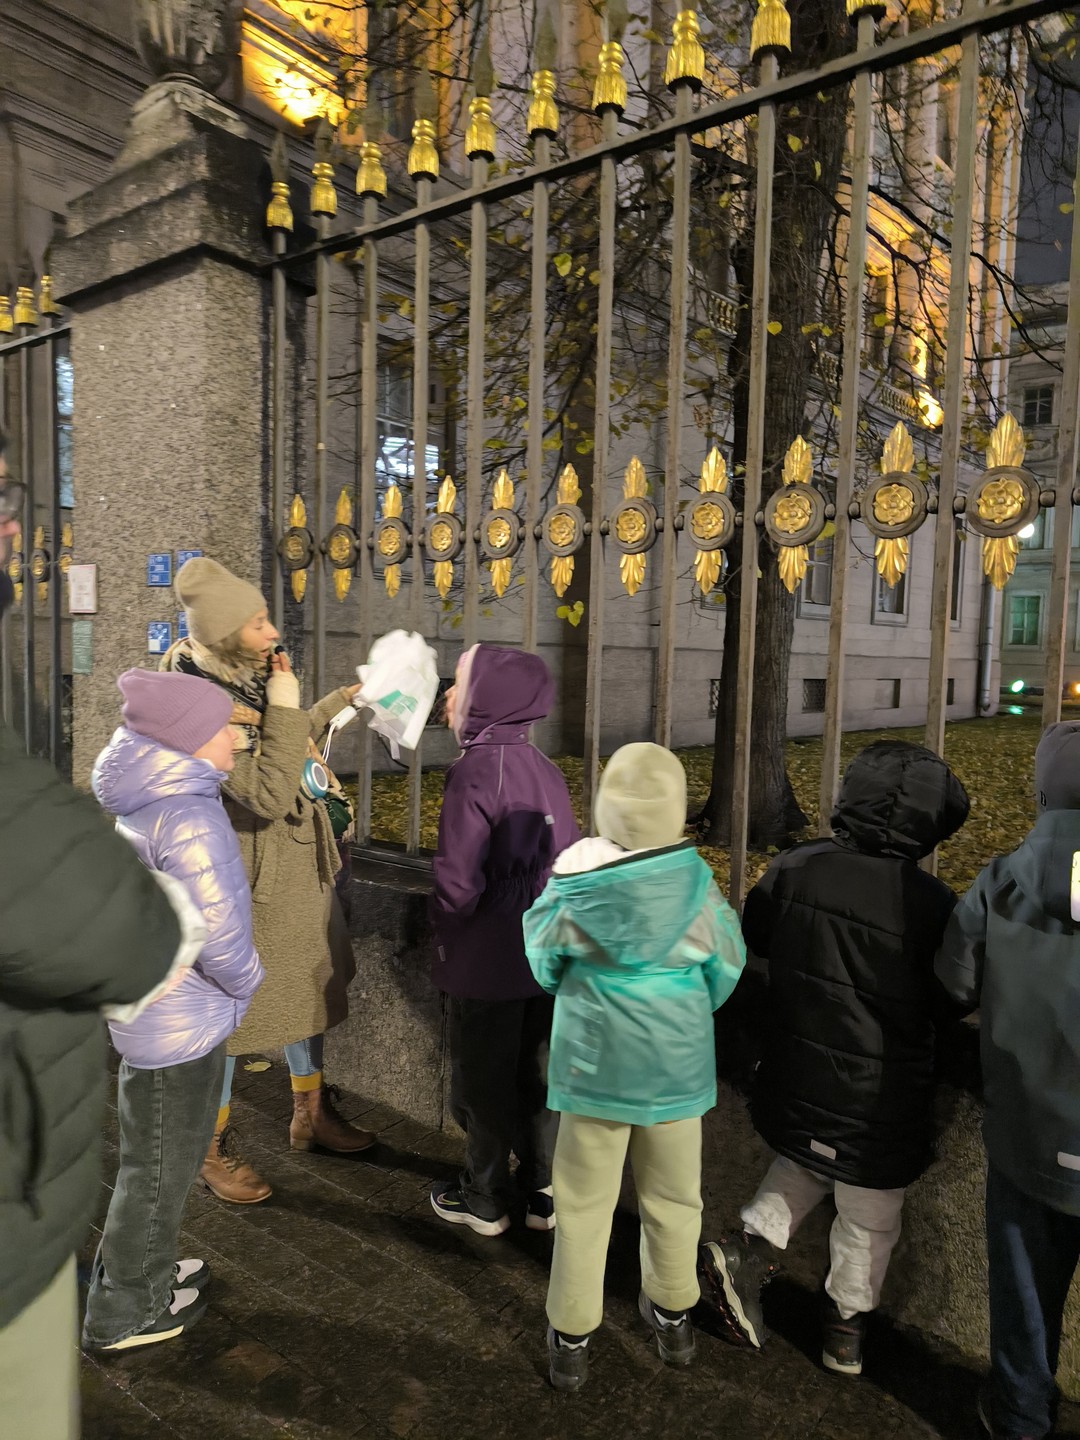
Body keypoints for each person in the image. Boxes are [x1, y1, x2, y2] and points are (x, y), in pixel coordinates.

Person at [0, 429, 196, 1435]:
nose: (13, 523)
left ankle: (134, 1274)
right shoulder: (187, 812)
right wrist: (187, 941)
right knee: (163, 1152)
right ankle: (131, 1290)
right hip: (19, 1187)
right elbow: (113, 924)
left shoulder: (137, 786)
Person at [698, 740, 969, 1379]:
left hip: (795, 1072)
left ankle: (747, 1250)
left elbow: (757, 934)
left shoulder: (796, 866)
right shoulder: (930, 902)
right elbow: (954, 995)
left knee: (808, 1157)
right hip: (881, 1096)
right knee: (870, 1213)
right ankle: (845, 1324)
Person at [524, 743, 746, 1393]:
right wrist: (681, 1014)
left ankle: (571, 1337)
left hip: (592, 1073)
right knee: (675, 1199)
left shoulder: (572, 884)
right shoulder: (697, 888)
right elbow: (725, 968)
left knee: (582, 1205)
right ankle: (673, 1317)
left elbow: (544, 963)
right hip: (675, 1074)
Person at [163, 557, 371, 1204]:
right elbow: (267, 789)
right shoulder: (194, 706)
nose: (271, 630)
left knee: (305, 992)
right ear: (226, 634)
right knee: (233, 1018)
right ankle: (207, 1146)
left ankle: (310, 1112)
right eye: (256, 622)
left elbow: (282, 739)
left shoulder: (246, 683)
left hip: (292, 872)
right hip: (244, 882)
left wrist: (337, 702)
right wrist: (284, 704)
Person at [82, 670, 264, 1351]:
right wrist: (247, 984)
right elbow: (220, 935)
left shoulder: (150, 801)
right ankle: (126, 1311)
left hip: (160, 1015)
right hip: (181, 1024)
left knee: (156, 1160)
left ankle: (145, 1273)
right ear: (186, 742)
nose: (236, 741)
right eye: (224, 729)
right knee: (159, 1170)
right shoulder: (187, 814)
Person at [936, 721, 1080, 1440]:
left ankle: (1021, 1416)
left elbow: (954, 981)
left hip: (1026, 1131)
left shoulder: (1000, 880)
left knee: (1023, 1289)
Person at [428, 644, 579, 1236]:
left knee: (483, 1078)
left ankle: (484, 1196)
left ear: (487, 698)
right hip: (545, 948)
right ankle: (543, 1190)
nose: (448, 694)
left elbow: (458, 880)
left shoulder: (474, 770)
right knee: (537, 1072)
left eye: (459, 682)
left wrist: (446, 933)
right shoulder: (542, 767)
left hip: (490, 949)